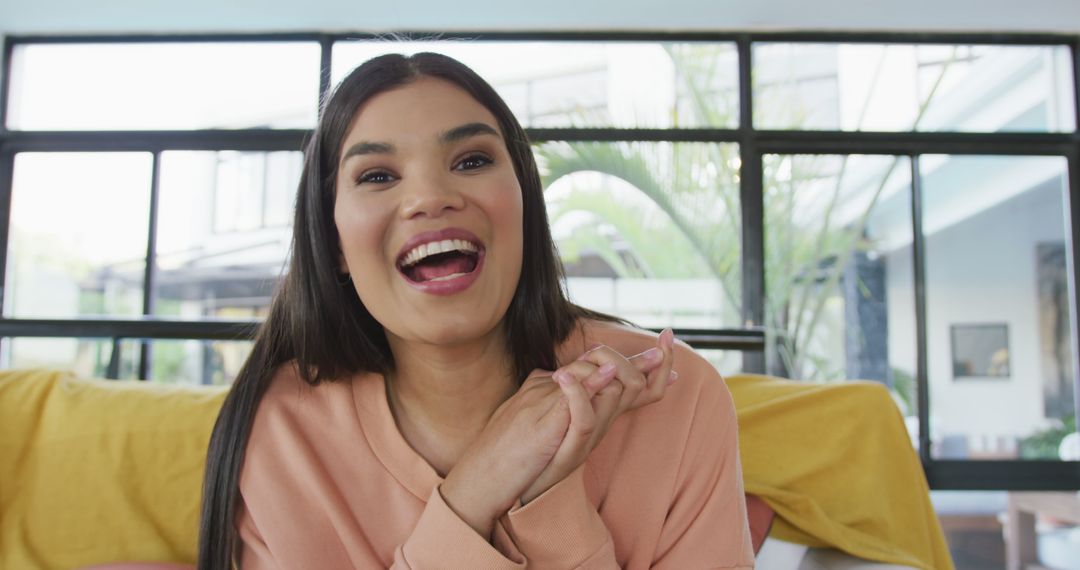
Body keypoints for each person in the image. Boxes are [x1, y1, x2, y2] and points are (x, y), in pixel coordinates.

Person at [198, 52, 754, 570]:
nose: (430, 197)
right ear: (336, 243)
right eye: (377, 175)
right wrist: (473, 493)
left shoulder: (674, 397)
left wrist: (549, 503)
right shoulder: (280, 430)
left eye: (470, 160)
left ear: (524, 206)